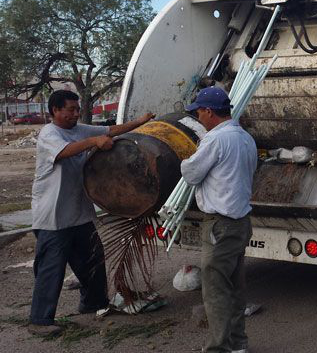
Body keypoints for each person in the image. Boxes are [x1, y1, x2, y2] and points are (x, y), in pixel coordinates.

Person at [28, 90, 154, 336]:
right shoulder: (49, 134)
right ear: (55, 110)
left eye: (77, 109)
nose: (76, 113)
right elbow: (66, 151)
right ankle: (40, 321)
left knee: (93, 261)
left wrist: (141, 122)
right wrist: (93, 143)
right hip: (53, 218)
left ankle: (93, 302)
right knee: (51, 268)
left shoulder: (79, 129)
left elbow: (109, 132)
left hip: (79, 213)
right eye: (71, 109)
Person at [180, 87, 257, 353]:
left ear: (209, 112)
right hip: (240, 222)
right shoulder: (246, 138)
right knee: (234, 286)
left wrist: (185, 159)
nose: (198, 117)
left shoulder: (215, 140)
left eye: (199, 112)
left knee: (215, 291)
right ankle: (238, 344)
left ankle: (218, 348)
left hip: (220, 225)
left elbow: (191, 174)